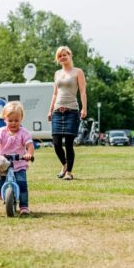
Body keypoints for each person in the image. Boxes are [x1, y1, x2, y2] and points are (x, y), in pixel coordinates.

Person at [0, 101, 34, 216]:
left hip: (19, 164)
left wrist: (29, 154)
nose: (13, 123)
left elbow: (30, 145)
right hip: (2, 164)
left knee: (22, 183)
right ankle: (0, 191)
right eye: (10, 120)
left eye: (16, 120)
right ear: (4, 119)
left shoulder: (24, 133)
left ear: (21, 119)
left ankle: (24, 206)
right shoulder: (1, 132)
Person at [47, 46, 87, 180]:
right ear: (58, 59)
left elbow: (82, 91)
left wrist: (84, 108)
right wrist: (50, 110)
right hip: (58, 111)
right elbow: (54, 93)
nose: (63, 57)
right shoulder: (57, 74)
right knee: (57, 143)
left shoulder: (78, 72)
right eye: (60, 56)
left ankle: (69, 172)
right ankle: (64, 165)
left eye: (65, 55)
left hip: (72, 111)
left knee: (69, 144)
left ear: (70, 55)